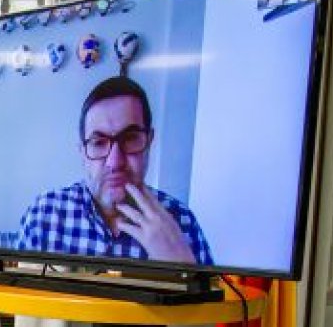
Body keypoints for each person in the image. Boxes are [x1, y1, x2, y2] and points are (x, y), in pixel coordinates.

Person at [20, 76, 213, 265]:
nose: (115, 162)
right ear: (82, 152)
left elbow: (217, 288)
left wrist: (182, 266)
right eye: (99, 143)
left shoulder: (181, 221)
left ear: (149, 141)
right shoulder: (44, 214)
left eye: (130, 138)